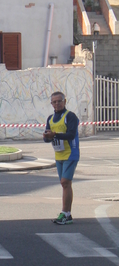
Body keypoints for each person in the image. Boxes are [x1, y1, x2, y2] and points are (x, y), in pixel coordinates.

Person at [43, 91, 80, 225]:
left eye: (59, 101)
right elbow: (48, 137)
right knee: (65, 184)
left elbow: (71, 134)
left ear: (65, 102)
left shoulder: (70, 116)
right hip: (58, 155)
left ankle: (65, 213)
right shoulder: (50, 118)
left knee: (65, 182)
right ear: (51, 103)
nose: (57, 104)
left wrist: (54, 135)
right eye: (54, 102)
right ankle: (67, 215)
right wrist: (47, 137)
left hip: (71, 153)